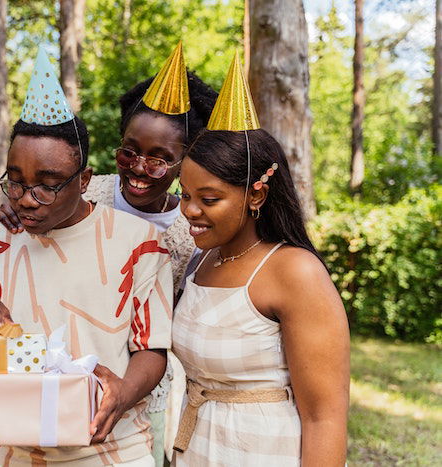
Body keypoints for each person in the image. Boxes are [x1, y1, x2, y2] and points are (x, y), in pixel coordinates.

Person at [0, 42, 217, 465]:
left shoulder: (193, 228)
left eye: (160, 160)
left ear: (186, 161)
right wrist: (20, 206)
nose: (139, 168)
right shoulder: (83, 192)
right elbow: (43, 204)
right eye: (130, 151)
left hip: (141, 379)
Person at [0, 48, 173, 466]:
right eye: (15, 183)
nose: (27, 201)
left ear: (85, 180)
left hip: (112, 449)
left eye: (47, 186)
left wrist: (125, 391)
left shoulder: (140, 243)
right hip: (15, 451)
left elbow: (153, 347)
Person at [171, 53, 350, 466]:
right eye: (185, 195)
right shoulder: (202, 261)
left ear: (256, 194)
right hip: (196, 449)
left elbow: (325, 417)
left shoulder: (294, 271)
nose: (190, 211)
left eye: (209, 199)